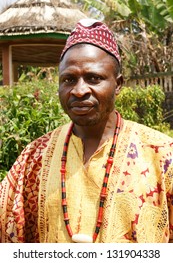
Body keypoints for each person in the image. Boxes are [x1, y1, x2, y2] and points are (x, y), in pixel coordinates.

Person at [0, 19, 173, 243]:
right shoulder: (33, 158)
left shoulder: (162, 156)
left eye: (94, 78)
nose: (79, 90)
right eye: (69, 79)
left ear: (118, 84)